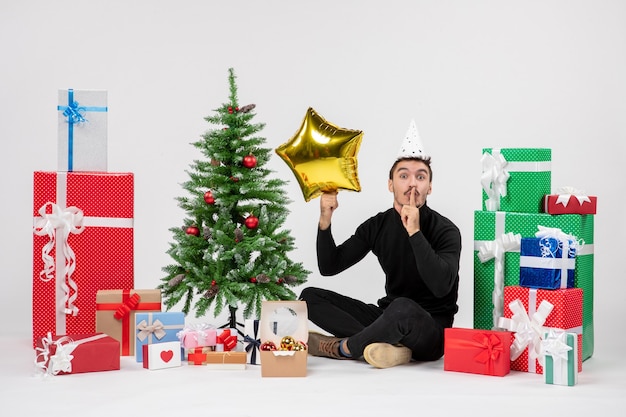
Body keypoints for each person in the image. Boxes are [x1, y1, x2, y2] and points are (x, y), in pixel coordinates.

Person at [299, 120, 462, 369]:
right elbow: (330, 266)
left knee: (403, 308)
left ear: (429, 187)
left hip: (431, 331)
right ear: (390, 185)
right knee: (308, 297)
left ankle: (346, 348)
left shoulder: (446, 230)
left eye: (421, 177)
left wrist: (415, 233)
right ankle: (391, 347)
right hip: (388, 317)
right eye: (404, 175)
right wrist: (325, 220)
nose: (412, 184)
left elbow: (441, 287)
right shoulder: (377, 225)